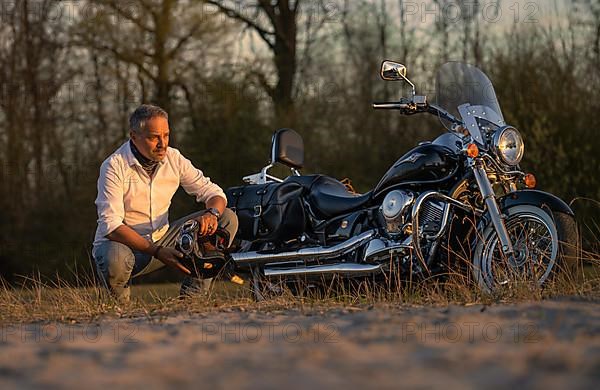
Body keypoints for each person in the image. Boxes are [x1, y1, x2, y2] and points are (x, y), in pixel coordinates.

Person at [92, 104, 237, 302]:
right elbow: (111, 226)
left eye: (166, 135)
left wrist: (212, 213)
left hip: (164, 238)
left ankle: (192, 302)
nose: (163, 144)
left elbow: (214, 193)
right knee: (114, 257)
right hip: (124, 246)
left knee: (227, 217)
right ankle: (118, 309)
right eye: (154, 137)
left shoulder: (174, 158)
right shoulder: (114, 166)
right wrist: (158, 252)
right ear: (133, 136)